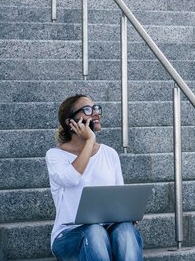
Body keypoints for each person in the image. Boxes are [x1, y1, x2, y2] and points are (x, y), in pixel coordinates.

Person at [45, 94, 144, 261]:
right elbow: (71, 179)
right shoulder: (55, 155)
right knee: (94, 231)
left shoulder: (109, 154)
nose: (96, 113)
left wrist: (128, 215)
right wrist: (90, 140)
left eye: (96, 108)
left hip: (106, 231)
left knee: (126, 229)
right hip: (69, 237)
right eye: (88, 110)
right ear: (71, 122)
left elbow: (119, 198)